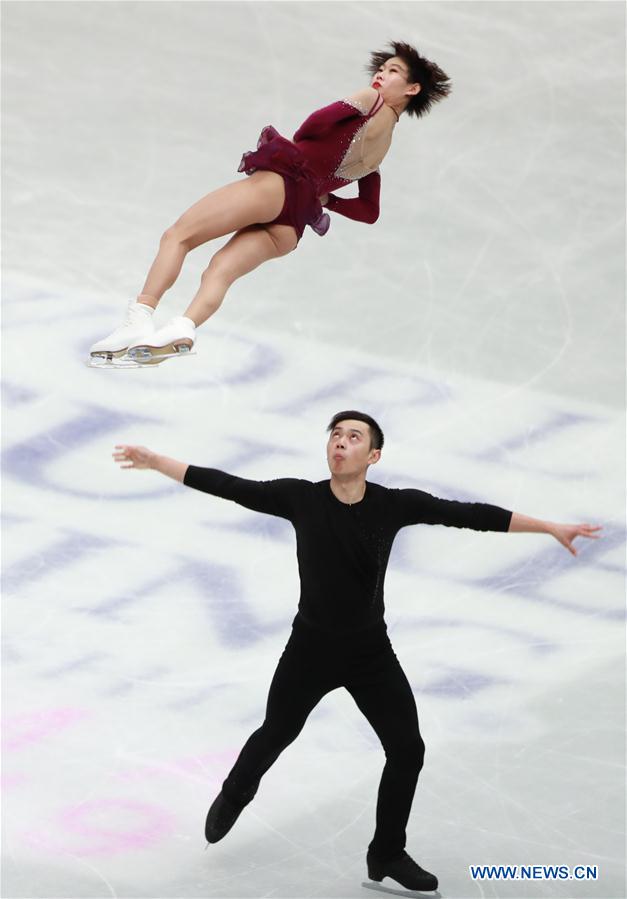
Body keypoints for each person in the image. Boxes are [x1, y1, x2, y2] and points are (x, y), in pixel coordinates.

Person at [112, 411, 601, 892]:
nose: (340, 443)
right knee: (277, 731)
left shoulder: (395, 505)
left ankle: (386, 852)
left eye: (353, 437)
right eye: (335, 435)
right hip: (310, 650)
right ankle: (237, 790)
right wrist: (157, 461)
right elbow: (229, 485)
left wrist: (549, 527)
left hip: (370, 652)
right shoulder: (299, 497)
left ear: (374, 455)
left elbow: (469, 515)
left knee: (407, 749)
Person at [89, 42, 452, 367]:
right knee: (220, 272)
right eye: (381, 68)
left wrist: (348, 109)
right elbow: (369, 212)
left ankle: (139, 317)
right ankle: (183, 327)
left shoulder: (370, 101)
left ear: (412, 88)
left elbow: (310, 127)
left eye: (392, 71)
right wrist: (329, 200)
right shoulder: (383, 150)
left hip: (278, 187)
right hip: (291, 226)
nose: (380, 74)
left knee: (178, 236)